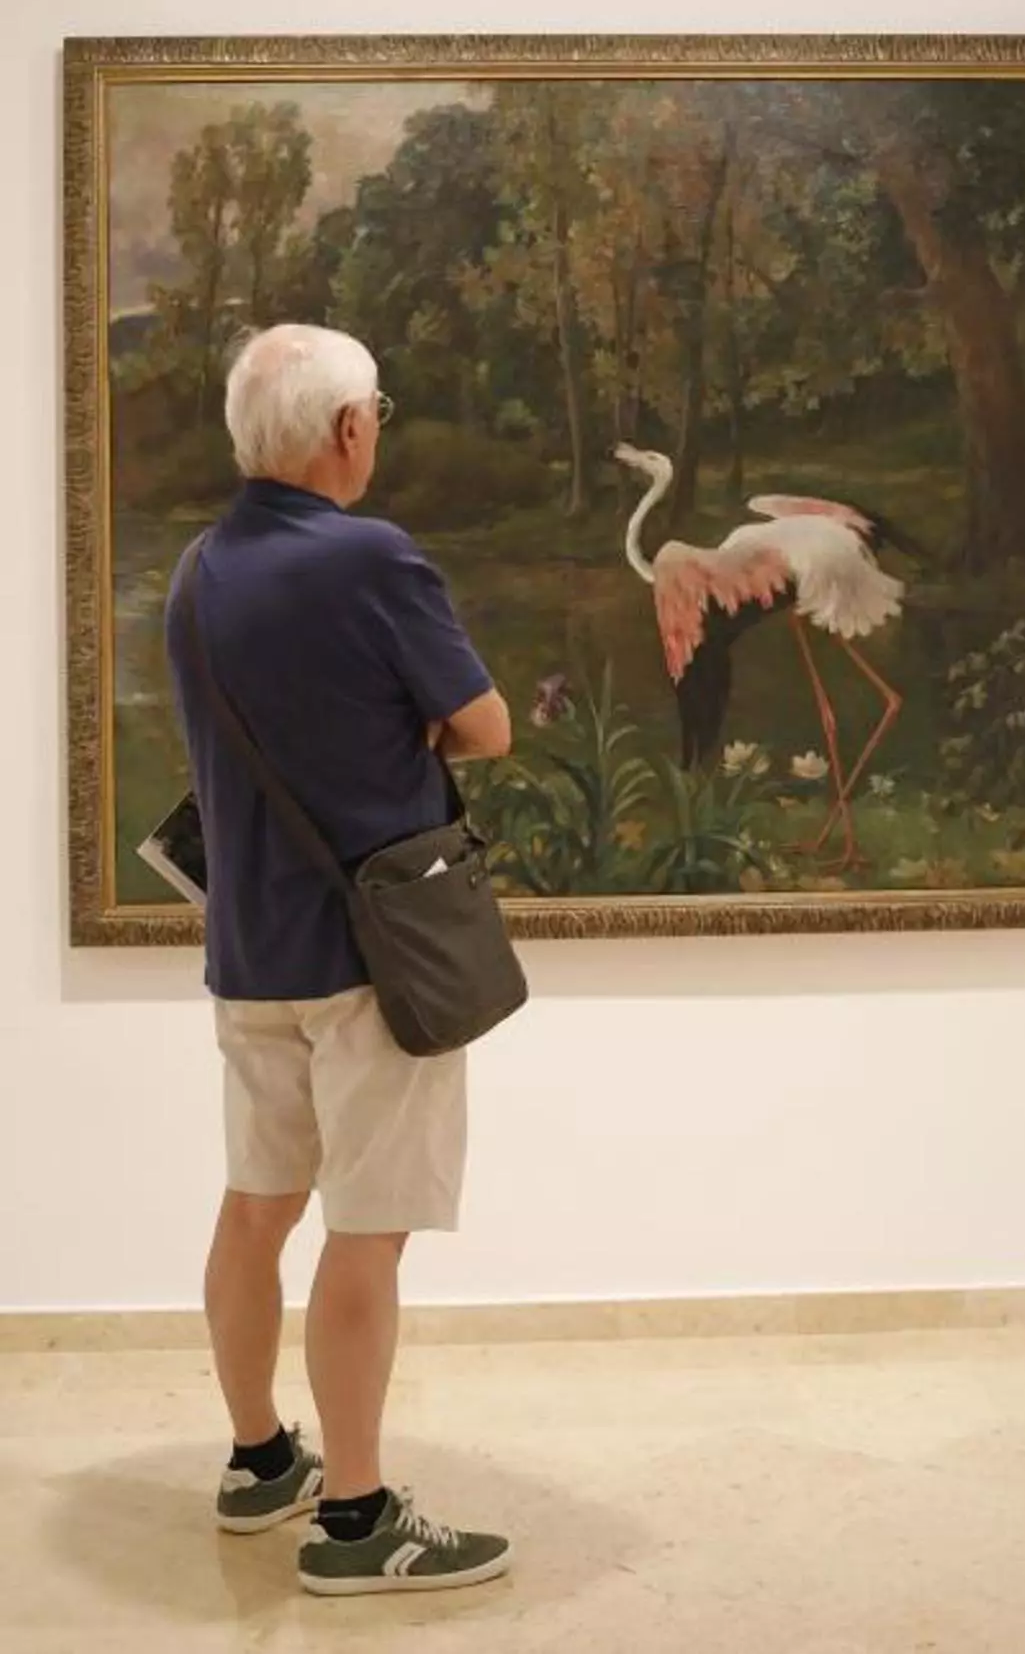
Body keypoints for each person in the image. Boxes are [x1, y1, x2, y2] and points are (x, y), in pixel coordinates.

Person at [164, 323, 513, 1597]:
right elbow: (486, 724)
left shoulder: (196, 570)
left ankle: (262, 1458)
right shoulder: (372, 557)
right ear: (350, 428)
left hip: (251, 951)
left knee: (256, 1207)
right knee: (367, 1232)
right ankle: (359, 1519)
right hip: (374, 959)